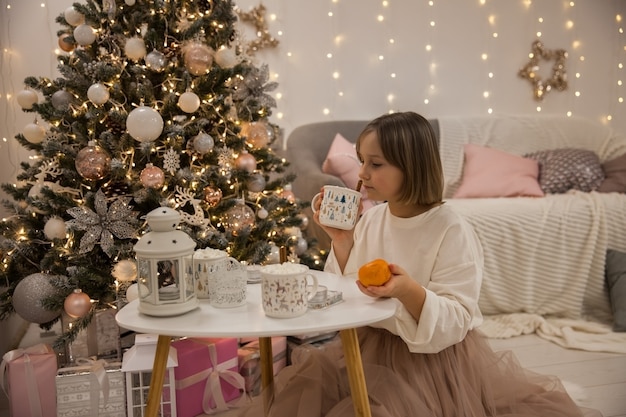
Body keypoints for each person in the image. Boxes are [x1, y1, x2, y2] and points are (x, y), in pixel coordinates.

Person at [240, 111, 597, 416]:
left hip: (431, 364)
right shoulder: (374, 218)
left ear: (412, 168)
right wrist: (343, 240)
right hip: (367, 351)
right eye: (361, 161)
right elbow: (347, 293)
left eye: (375, 164)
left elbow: (458, 316)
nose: (362, 174)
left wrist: (409, 291)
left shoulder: (450, 228)